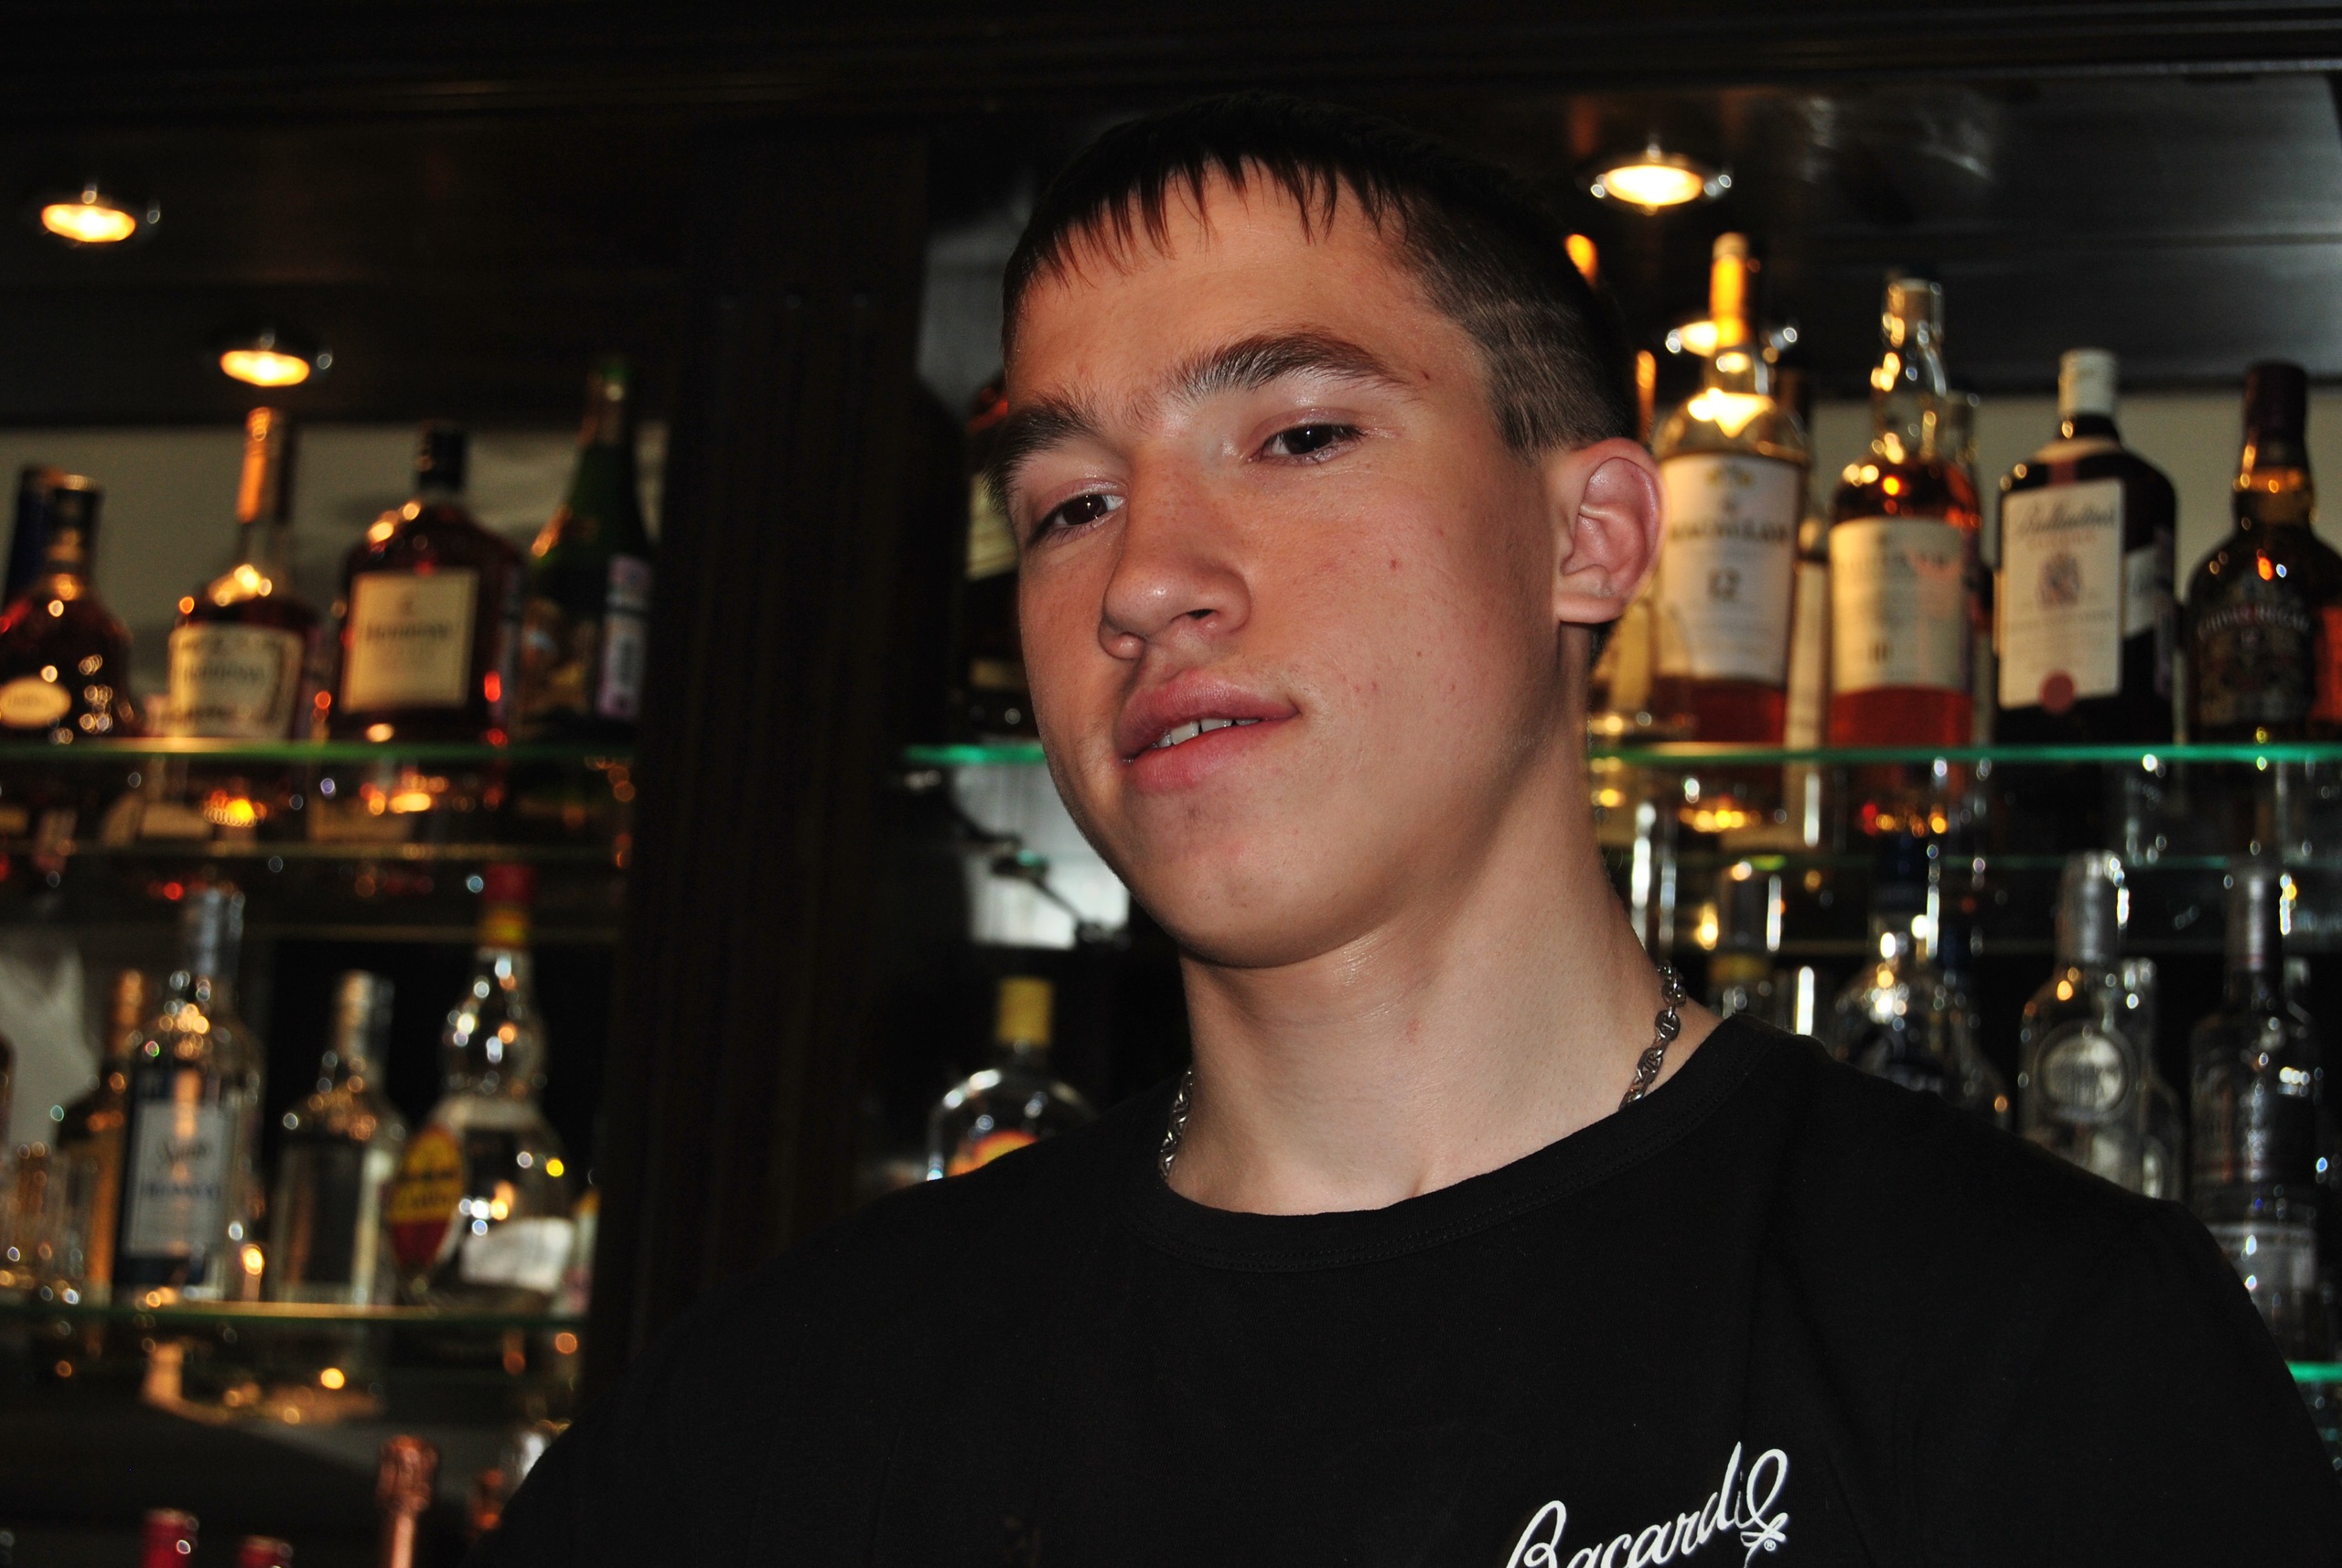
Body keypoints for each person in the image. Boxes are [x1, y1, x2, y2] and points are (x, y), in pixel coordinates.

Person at [478, 94, 2340, 1565]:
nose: (1143, 579)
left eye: (1298, 436)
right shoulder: (777, 1416)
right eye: (1068, 505)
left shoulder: (2040, 1351)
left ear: (1589, 537)